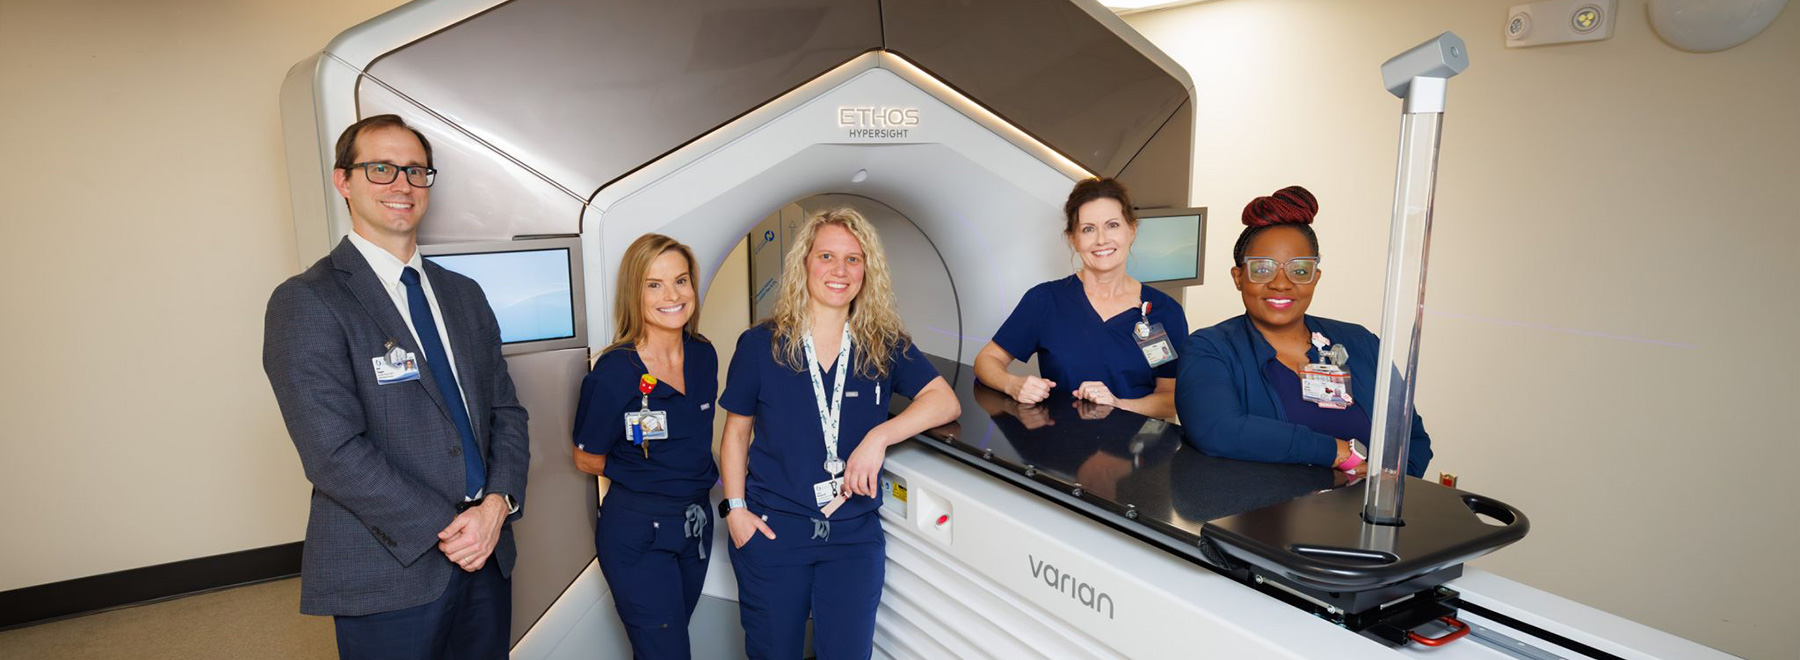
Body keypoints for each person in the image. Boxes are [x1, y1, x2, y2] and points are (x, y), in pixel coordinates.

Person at [263, 114, 529, 659]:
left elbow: (507, 411)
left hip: (486, 551)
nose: (401, 185)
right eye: (380, 169)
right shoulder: (308, 301)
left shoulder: (464, 295)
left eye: (415, 171)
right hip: (390, 562)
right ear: (344, 181)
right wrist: (451, 526)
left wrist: (497, 504)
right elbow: (331, 451)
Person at [718, 207, 961, 659]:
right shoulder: (760, 345)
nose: (840, 270)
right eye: (827, 255)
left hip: (852, 537)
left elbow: (944, 400)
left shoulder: (883, 343)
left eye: (853, 259)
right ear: (804, 264)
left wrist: (879, 437)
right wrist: (735, 512)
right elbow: (735, 435)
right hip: (774, 533)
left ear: (867, 270)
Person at [1175, 185, 1431, 477]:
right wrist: (1337, 452)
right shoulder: (1211, 348)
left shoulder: (1360, 342)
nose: (1281, 283)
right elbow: (1216, 428)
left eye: (1299, 270)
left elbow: (1413, 439)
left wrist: (1385, 488)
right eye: (1262, 269)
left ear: (1315, 277)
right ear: (1238, 277)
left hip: (1362, 518)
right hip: (1259, 518)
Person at [570, 233, 719, 659]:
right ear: (635, 293)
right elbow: (586, 457)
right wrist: (652, 478)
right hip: (638, 530)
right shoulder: (615, 371)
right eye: (654, 284)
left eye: (681, 280)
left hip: (695, 525)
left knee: (661, 647)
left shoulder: (704, 355)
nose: (672, 295)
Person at [975, 177, 1187, 418]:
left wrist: (1118, 404)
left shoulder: (1163, 311)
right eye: (1088, 229)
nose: (1101, 239)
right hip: (1061, 447)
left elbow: (1171, 399)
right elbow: (987, 359)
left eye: (1112, 225)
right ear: (1073, 239)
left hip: (1134, 450)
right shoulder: (1045, 301)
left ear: (1132, 230)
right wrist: (1012, 384)